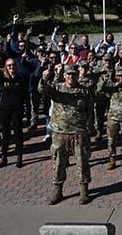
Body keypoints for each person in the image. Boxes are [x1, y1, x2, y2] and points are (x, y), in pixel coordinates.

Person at [39, 64, 94, 205]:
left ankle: (84, 191)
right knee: (59, 163)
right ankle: (58, 190)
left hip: (79, 132)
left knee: (82, 162)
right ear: (64, 75)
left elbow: (90, 110)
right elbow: (42, 89)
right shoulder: (57, 88)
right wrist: (44, 79)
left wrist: (89, 127)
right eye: (68, 74)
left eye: (73, 74)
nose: (71, 77)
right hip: (60, 132)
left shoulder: (84, 91)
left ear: (77, 75)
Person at [0, 58, 27, 168]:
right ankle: (4, 157)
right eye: (9, 66)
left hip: (17, 109)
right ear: (6, 67)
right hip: (4, 109)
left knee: (17, 133)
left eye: (13, 65)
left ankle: (19, 157)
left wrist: (22, 105)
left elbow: (25, 93)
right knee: (5, 134)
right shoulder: (3, 77)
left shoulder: (21, 78)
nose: (11, 67)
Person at [98, 67, 122, 171]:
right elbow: (100, 90)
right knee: (111, 140)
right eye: (118, 76)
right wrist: (104, 80)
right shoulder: (112, 88)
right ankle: (112, 159)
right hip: (113, 118)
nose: (120, 78)